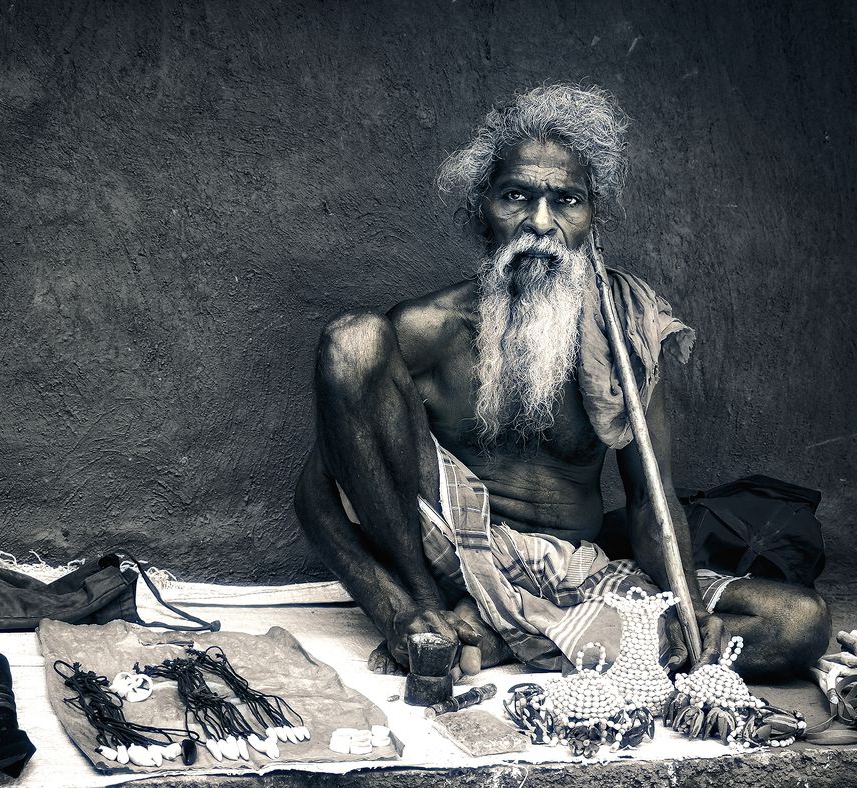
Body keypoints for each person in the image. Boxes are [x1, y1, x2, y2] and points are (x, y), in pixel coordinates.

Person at [293, 84, 830, 682]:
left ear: (591, 219)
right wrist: (401, 609)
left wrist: (680, 599)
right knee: (353, 340)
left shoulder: (625, 336)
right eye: (517, 197)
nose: (541, 223)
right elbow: (320, 495)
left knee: (799, 622)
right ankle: (446, 622)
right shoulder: (424, 332)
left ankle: (502, 633)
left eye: (567, 201)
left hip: (579, 574)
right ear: (482, 209)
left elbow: (652, 499)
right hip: (445, 563)